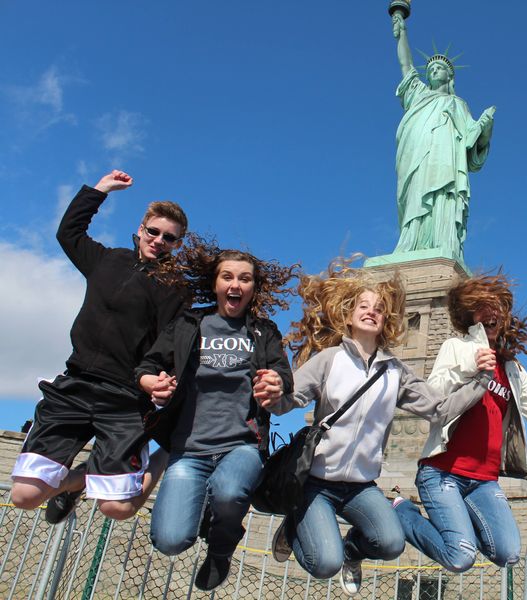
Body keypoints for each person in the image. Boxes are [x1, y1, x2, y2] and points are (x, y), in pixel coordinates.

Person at [265, 261, 488, 596]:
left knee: (390, 543)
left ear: (387, 320)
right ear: (349, 315)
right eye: (363, 306)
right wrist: (273, 393)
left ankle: (352, 551)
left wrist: (482, 380)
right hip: (316, 482)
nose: (371, 312)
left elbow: (440, 409)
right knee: (325, 563)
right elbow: (288, 400)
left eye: (379, 309)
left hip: (360, 486)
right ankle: (297, 524)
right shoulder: (329, 360)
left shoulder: (395, 372)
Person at [393, 274, 527, 573]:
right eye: (481, 307)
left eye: (496, 307)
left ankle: (460, 533)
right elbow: (434, 394)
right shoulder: (457, 347)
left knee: (509, 554)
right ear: (470, 315)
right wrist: (469, 368)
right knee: (461, 556)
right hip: (443, 472)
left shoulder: (512, 368)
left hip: (484, 480)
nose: (490, 313)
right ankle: (402, 511)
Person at [11, 170, 188, 524]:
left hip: (125, 397)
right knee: (24, 497)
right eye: (153, 232)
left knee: (118, 509)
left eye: (169, 238)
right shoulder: (107, 260)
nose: (158, 240)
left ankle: (163, 452)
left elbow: (171, 343)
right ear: (141, 230)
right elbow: (69, 233)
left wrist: (160, 385)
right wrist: (100, 190)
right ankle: (79, 481)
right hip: (75, 386)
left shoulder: (176, 288)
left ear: (176, 245)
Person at [134, 240, 295, 591]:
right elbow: (147, 366)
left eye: (245, 279)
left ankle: (221, 549)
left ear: (254, 288)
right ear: (215, 283)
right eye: (228, 277)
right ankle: (212, 518)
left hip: (242, 445)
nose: (236, 285)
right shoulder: (189, 324)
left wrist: (275, 384)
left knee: (229, 491)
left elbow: (284, 378)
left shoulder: (263, 332)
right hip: (188, 449)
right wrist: (152, 383)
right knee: (170, 540)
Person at [390, 10, 496, 261]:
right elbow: (406, 65)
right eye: (431, 68)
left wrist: (486, 128)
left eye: (439, 68)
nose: (433, 71)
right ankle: (411, 243)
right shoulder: (419, 95)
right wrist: (401, 32)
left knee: (443, 197)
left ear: (450, 75)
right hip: (417, 157)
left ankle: (443, 242)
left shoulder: (459, 104)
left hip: (446, 164)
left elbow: (474, 147)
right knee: (416, 196)